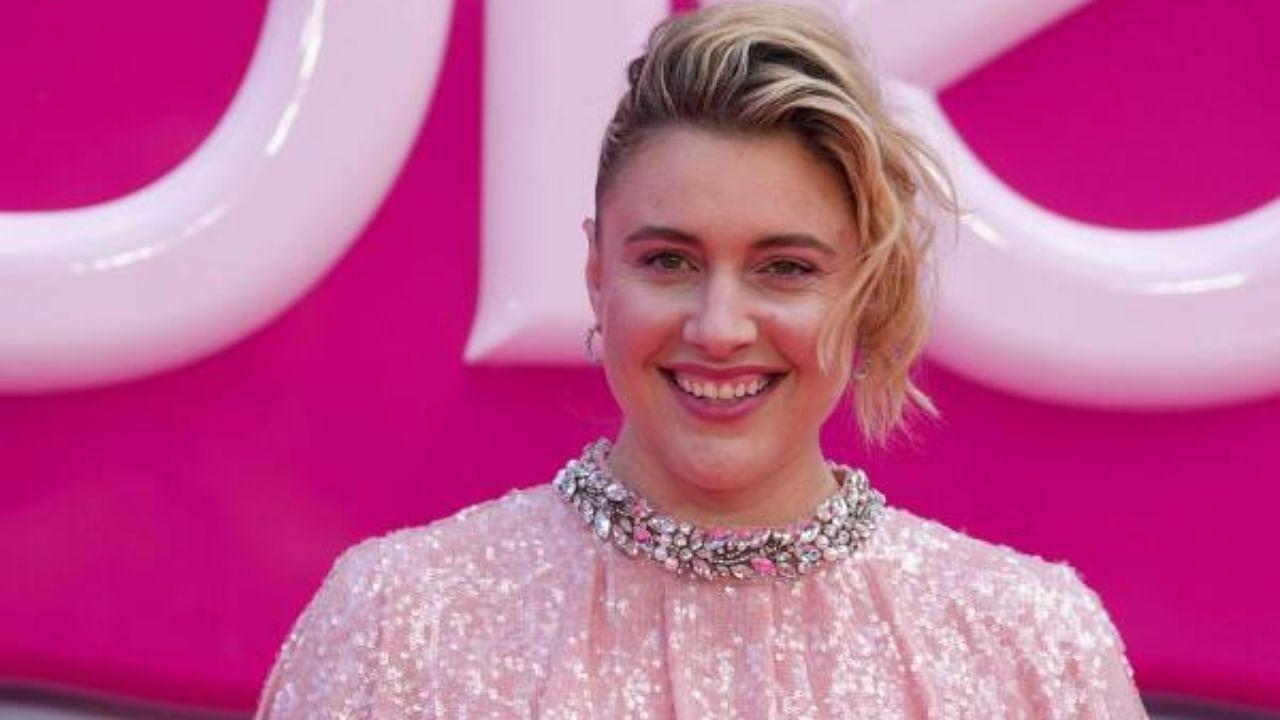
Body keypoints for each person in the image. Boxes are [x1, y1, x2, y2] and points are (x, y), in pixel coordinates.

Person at [254, 4, 1147, 717]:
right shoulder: (403, 624)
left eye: (786, 269)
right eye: (669, 261)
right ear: (597, 273)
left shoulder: (1027, 645)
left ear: (868, 293)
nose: (720, 327)